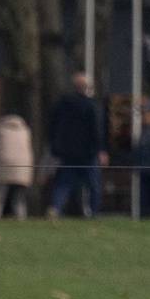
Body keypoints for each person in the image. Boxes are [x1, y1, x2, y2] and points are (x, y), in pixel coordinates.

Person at [47, 72, 107, 218]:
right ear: (87, 87)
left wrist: (56, 146)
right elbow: (97, 130)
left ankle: (56, 208)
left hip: (67, 152)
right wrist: (101, 150)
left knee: (64, 183)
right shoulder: (92, 106)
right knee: (93, 185)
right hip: (88, 153)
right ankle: (94, 213)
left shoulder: (62, 104)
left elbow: (53, 126)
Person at [0, 114, 34, 220]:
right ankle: (21, 219)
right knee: (19, 197)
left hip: (4, 167)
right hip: (22, 169)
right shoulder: (26, 132)